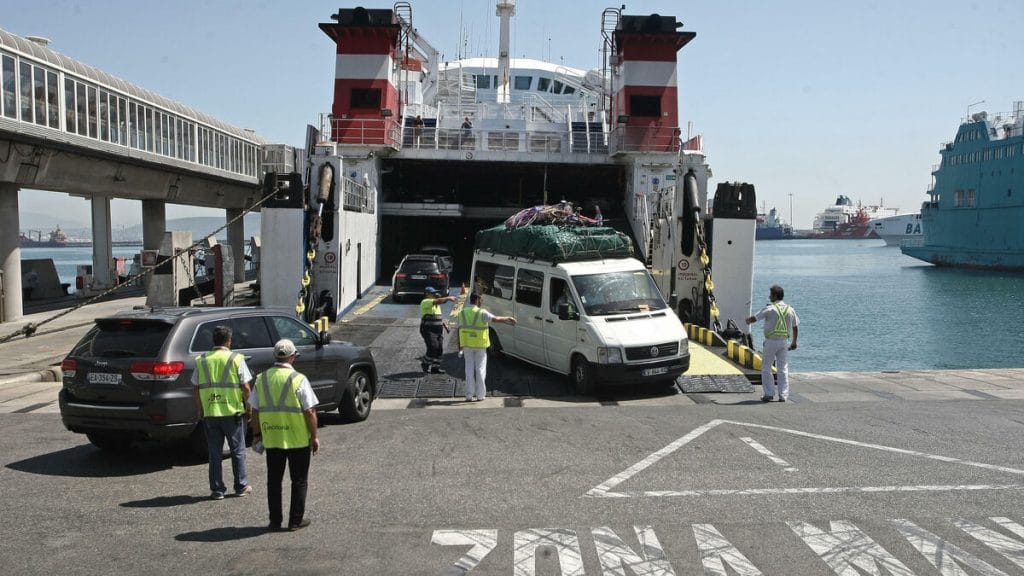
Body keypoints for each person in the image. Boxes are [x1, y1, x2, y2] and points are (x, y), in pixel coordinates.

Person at [249, 339, 320, 532]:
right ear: (293, 357)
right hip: (297, 439)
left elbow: (254, 410)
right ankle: (295, 521)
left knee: (274, 481)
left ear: (275, 356)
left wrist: (257, 434)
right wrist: (314, 436)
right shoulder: (299, 379)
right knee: (299, 480)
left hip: (272, 439)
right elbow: (310, 411)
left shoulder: (262, 379)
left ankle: (274, 521)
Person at [192, 325, 253, 500]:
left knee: (214, 452)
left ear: (214, 340)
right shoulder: (236, 359)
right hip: (232, 411)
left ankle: (217, 490)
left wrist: (200, 408)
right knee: (238, 450)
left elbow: (195, 388)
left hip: (211, 411)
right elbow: (246, 387)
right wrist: (249, 409)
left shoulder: (202, 360)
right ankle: (241, 486)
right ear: (229, 341)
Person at [746, 285, 799, 402]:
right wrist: (794, 342)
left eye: (770, 294)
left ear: (775, 295)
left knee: (766, 367)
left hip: (771, 341)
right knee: (783, 368)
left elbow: (754, 318)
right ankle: (783, 395)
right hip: (784, 342)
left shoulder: (770, 308)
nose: (769, 296)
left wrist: (746, 320)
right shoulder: (790, 309)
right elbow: (795, 327)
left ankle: (769, 394)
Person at [458, 292, 516, 401]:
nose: (482, 302)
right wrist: (508, 318)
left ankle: (469, 395)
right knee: (480, 370)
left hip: (467, 345)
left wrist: (460, 347)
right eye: (481, 300)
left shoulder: (462, 313)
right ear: (477, 300)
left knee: (469, 370)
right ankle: (480, 395)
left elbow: (460, 329)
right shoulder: (482, 313)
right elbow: (496, 319)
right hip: (480, 345)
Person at [420, 287, 457, 373]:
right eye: (432, 293)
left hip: (438, 330)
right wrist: (448, 298)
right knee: (433, 347)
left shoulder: (436, 306)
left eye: (435, 293)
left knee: (439, 349)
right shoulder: (425, 301)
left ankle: (435, 368)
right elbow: (438, 301)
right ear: (427, 294)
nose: (434, 294)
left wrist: (444, 324)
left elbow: (439, 317)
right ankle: (425, 363)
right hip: (428, 329)